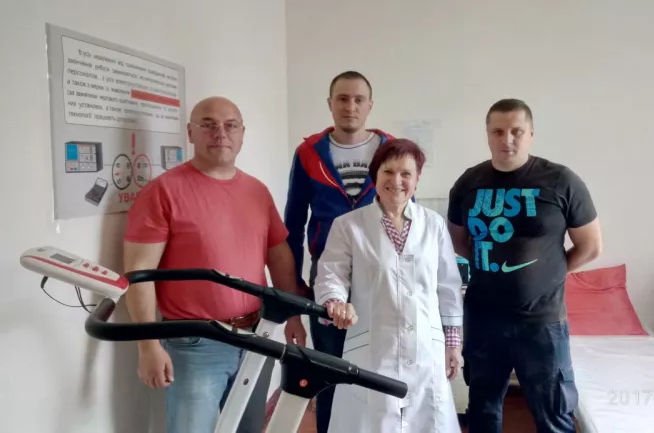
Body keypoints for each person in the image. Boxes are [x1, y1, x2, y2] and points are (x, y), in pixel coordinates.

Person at [123, 96, 307, 433]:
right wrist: (147, 345)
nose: (220, 133)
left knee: (249, 427)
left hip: (256, 335)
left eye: (230, 125)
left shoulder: (257, 191)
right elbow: (139, 275)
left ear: (242, 134)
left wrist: (293, 315)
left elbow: (278, 255)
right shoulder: (163, 191)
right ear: (190, 133)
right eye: (208, 125)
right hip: (196, 344)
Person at [447, 98, 602, 433]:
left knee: (554, 416)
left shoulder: (561, 180)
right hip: (483, 319)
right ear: (487, 135)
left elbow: (590, 247)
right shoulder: (468, 183)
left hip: (542, 322)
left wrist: (550, 272)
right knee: (482, 411)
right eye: (498, 131)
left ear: (531, 134)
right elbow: (458, 241)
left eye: (516, 131)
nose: (507, 139)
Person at [314, 138, 464, 433]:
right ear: (375, 176)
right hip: (373, 351)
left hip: (425, 351)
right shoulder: (348, 225)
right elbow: (331, 274)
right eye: (388, 172)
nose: (397, 181)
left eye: (406, 173)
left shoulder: (433, 225)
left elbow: (448, 287)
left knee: (426, 422)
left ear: (417, 179)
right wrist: (335, 301)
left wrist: (453, 345)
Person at [283, 71, 395, 432]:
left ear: (370, 105)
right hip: (328, 275)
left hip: (382, 271)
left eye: (358, 99)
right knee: (328, 366)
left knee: (381, 365)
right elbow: (293, 224)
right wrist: (293, 294)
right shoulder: (309, 154)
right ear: (330, 104)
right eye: (342, 99)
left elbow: (408, 213)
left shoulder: (392, 150)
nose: (350, 106)